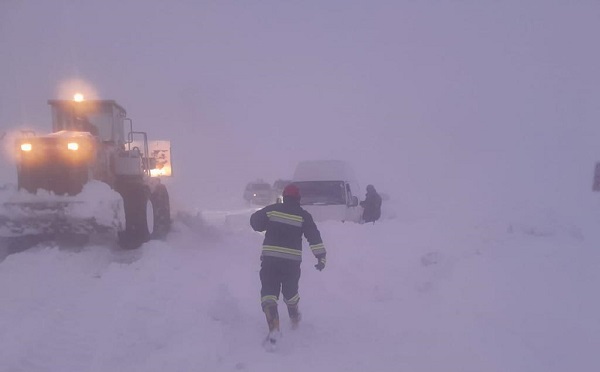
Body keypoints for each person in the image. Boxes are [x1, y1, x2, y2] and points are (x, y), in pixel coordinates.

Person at [250, 183, 326, 347]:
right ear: (298, 199)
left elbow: (255, 223)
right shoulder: (303, 215)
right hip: (291, 264)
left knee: (269, 293)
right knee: (291, 292)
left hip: (270, 261)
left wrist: (266, 223)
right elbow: (314, 236)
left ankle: (274, 328)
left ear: (285, 197)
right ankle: (294, 316)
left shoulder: (273, 209)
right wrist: (321, 257)